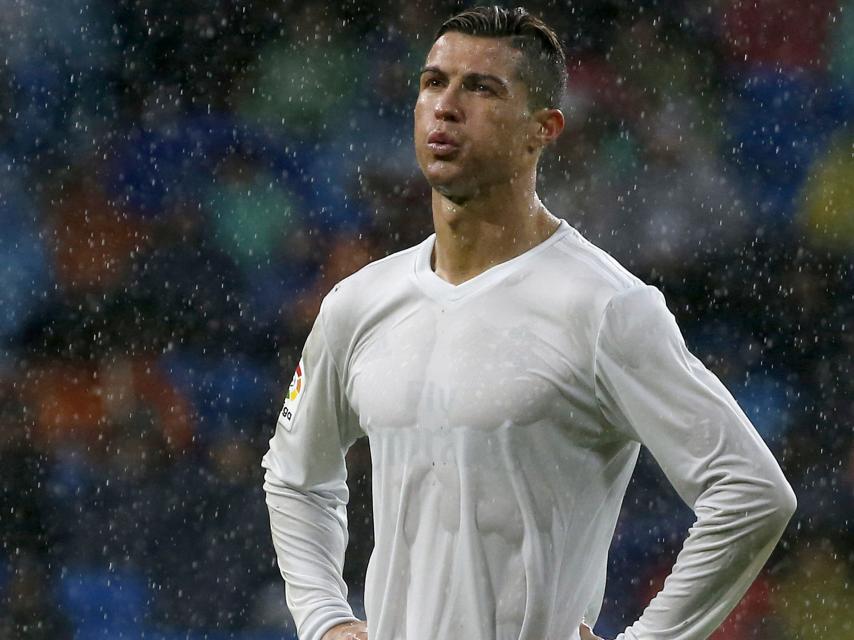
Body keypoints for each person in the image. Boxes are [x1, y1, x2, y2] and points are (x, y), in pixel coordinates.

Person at [261, 6, 797, 640]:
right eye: (434, 82)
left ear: (542, 129)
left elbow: (751, 494)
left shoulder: (605, 308)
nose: (446, 105)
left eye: (481, 88)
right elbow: (296, 477)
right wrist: (325, 619)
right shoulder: (358, 303)